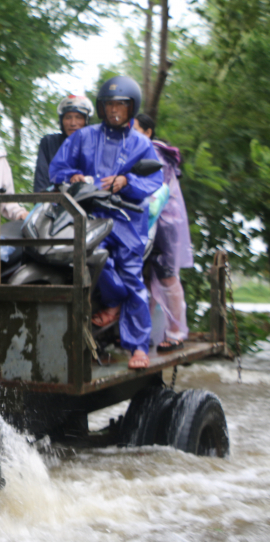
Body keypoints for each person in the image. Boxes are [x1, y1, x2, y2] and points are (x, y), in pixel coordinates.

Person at [49, 75, 163, 369]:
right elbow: (58, 167)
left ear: (131, 109)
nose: (115, 110)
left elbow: (154, 179)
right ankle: (113, 302)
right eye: (110, 104)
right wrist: (71, 176)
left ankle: (138, 346)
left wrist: (127, 181)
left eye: (121, 106)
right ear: (101, 107)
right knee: (89, 260)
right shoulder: (83, 137)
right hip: (91, 216)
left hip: (127, 220)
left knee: (132, 277)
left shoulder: (141, 142)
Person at [134, 112, 194, 352]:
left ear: (148, 132)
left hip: (164, 224)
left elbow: (155, 194)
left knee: (167, 276)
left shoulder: (156, 154)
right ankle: (142, 334)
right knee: (144, 277)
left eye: (134, 129)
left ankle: (177, 332)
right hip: (145, 222)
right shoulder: (136, 151)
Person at [33, 95, 93, 192]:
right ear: (61, 120)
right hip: (55, 202)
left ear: (86, 121)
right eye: (68, 117)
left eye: (78, 117)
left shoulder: (95, 145)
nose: (73, 123)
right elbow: (41, 181)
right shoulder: (50, 143)